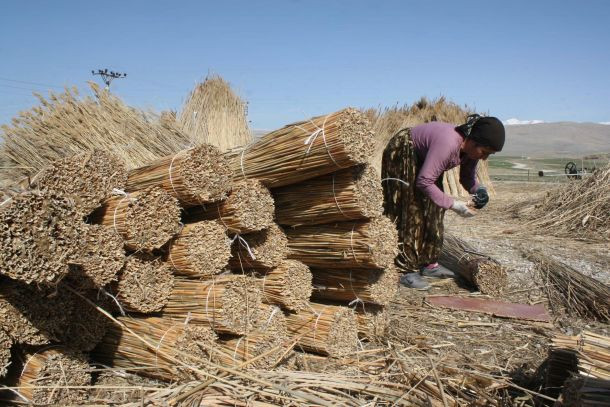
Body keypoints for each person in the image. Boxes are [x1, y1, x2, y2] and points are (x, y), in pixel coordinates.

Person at [381, 114, 505, 289]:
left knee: (436, 208)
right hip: (404, 150)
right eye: (484, 152)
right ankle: (404, 270)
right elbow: (424, 181)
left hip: (424, 158)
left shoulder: (470, 152)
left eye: (489, 155)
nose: (484, 158)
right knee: (410, 210)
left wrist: (480, 190)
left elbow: (467, 179)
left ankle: (428, 264)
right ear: (473, 141)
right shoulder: (448, 143)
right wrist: (454, 205)